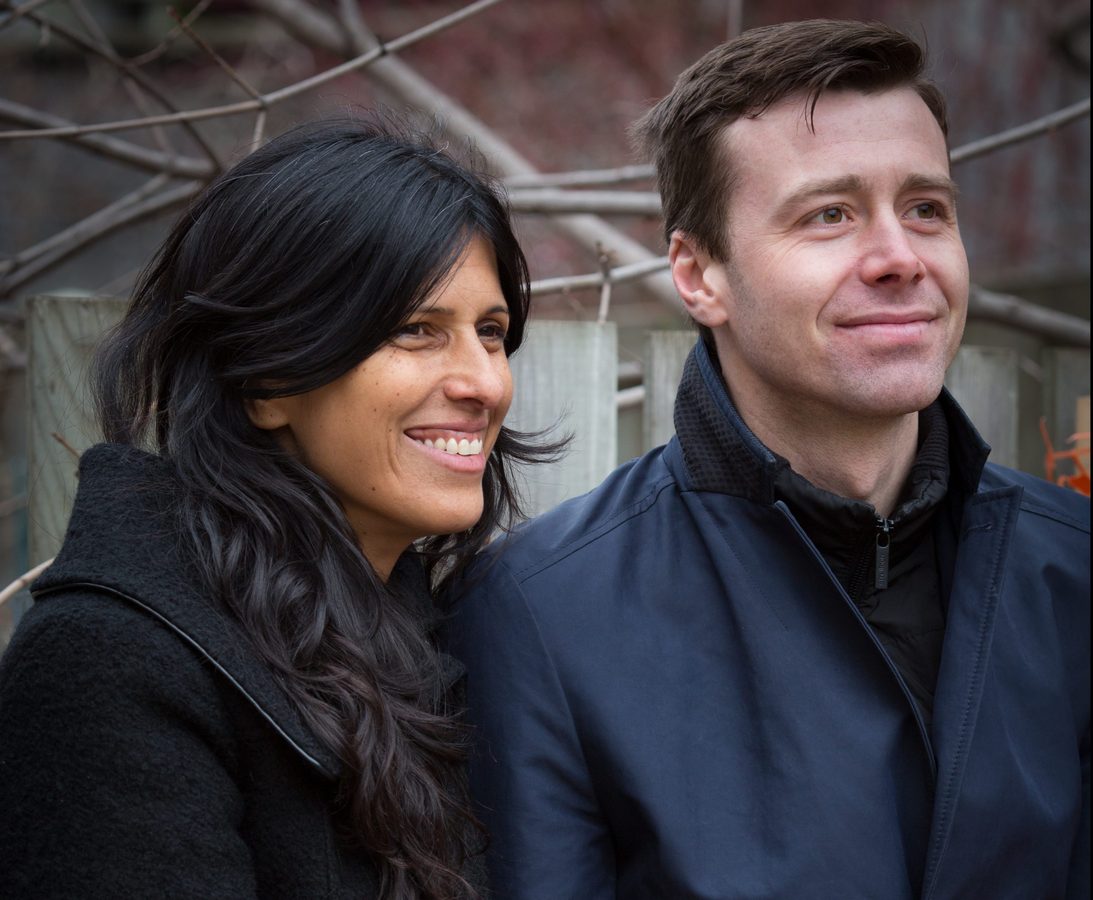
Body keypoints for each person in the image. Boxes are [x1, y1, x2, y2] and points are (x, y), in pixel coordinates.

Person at [444, 19, 1090, 899]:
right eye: (829, 215)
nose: (900, 258)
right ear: (697, 274)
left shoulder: (1072, 571)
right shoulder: (541, 617)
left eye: (926, 210)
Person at [0, 117, 553, 899]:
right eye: (415, 330)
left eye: (490, 333)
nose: (485, 383)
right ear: (266, 378)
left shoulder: (422, 641)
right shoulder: (113, 662)